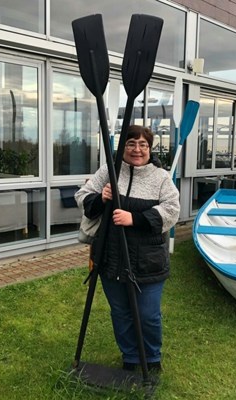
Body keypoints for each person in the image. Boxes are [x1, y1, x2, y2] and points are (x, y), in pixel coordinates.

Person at [75, 125, 180, 373]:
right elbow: (82, 196)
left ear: (150, 149)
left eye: (143, 144)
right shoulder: (108, 171)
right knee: (121, 312)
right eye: (131, 143)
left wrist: (135, 219)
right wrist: (101, 198)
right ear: (122, 147)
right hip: (111, 258)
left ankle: (151, 359)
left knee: (147, 314)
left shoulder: (160, 177)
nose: (137, 149)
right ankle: (131, 357)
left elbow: (172, 210)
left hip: (148, 261)